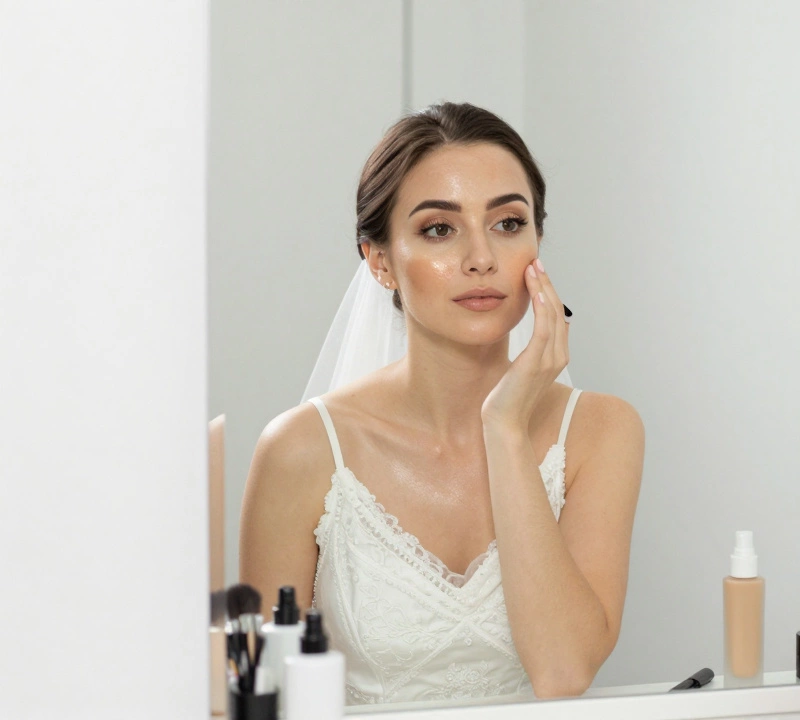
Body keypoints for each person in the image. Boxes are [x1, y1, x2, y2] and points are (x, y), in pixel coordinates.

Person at [239, 103, 645, 704]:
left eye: (508, 223)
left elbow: (563, 673)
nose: (481, 258)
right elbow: (264, 696)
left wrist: (505, 427)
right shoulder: (300, 450)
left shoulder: (601, 432)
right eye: (439, 229)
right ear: (380, 262)